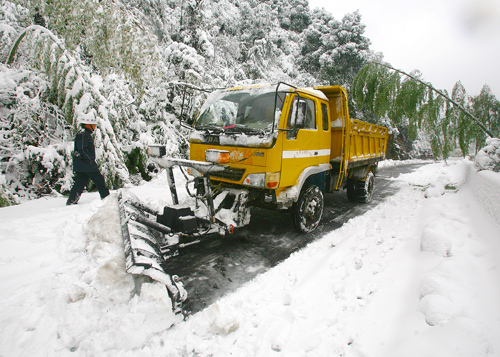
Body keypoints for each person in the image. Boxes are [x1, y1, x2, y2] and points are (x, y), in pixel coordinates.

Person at [66, 118, 109, 205]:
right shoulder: (83, 134)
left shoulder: (83, 133)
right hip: (86, 164)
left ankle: (72, 200)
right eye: (93, 125)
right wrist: (90, 160)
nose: (94, 127)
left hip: (82, 164)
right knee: (99, 180)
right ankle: (107, 198)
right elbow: (82, 149)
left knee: (80, 182)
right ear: (87, 125)